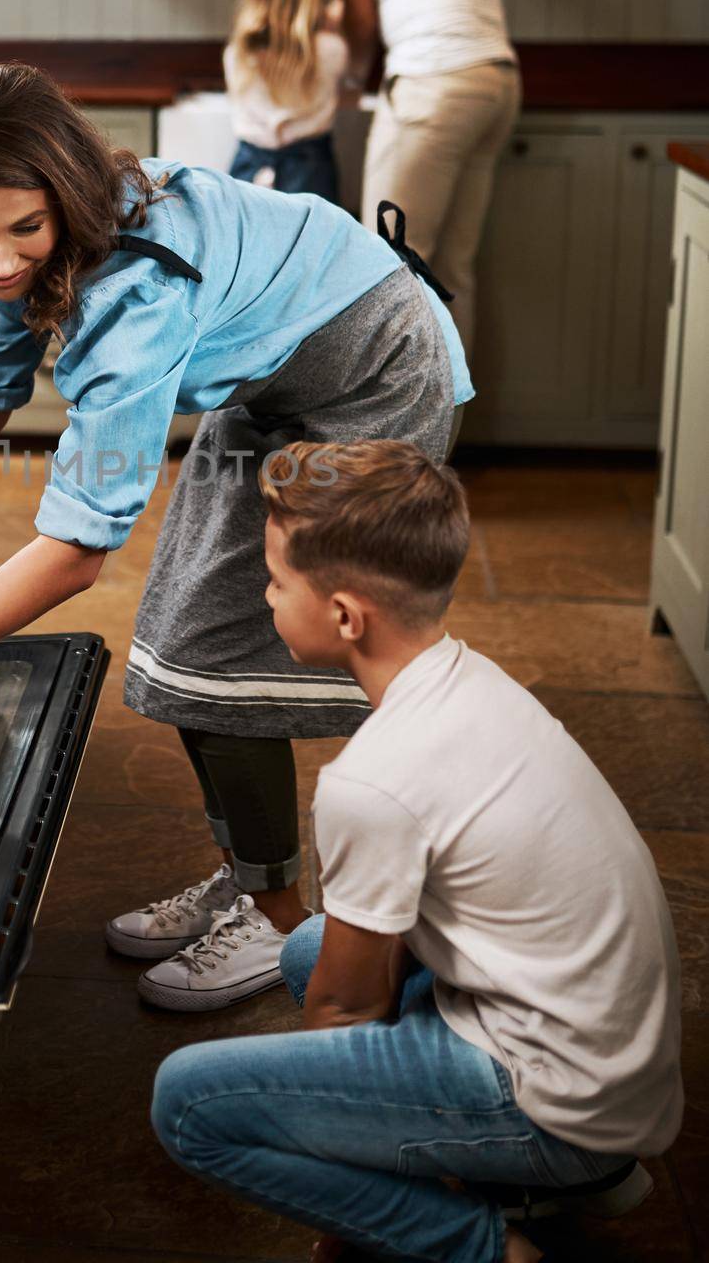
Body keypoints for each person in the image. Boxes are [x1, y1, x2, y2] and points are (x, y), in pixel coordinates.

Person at [0, 61, 472, 1011]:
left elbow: (78, 551)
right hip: (275, 374)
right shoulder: (19, 236)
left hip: (377, 375)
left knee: (222, 660)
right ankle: (252, 876)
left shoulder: (131, 299)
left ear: (65, 195)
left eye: (24, 229)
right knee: (189, 643)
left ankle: (283, 921)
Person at [151, 440, 683, 1263]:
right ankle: (564, 1178)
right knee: (308, 949)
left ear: (342, 616)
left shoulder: (373, 780)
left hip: (560, 1102)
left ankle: (481, 1241)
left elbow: (346, 1015)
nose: (264, 596)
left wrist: (345, 1200)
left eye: (276, 580)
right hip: (606, 1059)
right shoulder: (469, 680)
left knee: (187, 1102)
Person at [246, 0, 521, 351]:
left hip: (432, 82)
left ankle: (389, 443)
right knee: (450, 276)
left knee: (385, 274)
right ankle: (437, 441)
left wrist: (347, 78)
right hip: (495, 77)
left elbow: (363, 20)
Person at [223, 0, 348, 205]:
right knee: (313, 245)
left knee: (246, 244)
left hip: (249, 172)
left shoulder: (238, 53)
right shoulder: (331, 49)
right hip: (311, 172)